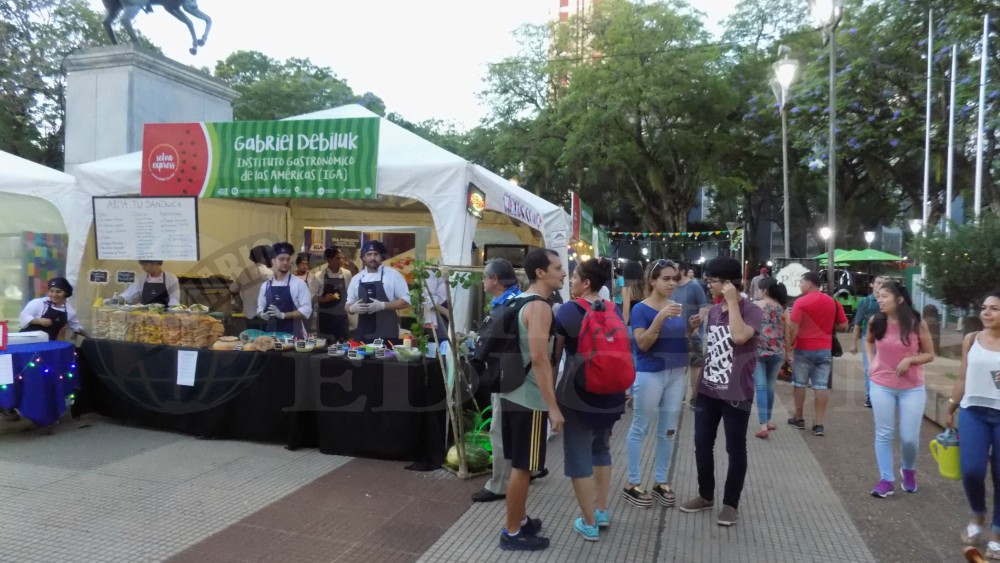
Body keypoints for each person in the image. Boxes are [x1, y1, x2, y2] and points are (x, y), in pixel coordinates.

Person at [679, 257, 761, 527]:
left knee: (735, 447)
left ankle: (730, 503)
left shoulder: (752, 310)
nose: (708, 285)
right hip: (708, 389)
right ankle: (706, 495)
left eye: (711, 281)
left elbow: (739, 337)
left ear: (727, 283)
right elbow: (710, 347)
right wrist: (693, 328)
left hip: (737, 391)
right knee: (702, 443)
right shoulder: (713, 311)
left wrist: (733, 302)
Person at [552, 257, 626, 541]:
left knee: (578, 455)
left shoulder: (569, 310)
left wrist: (551, 398)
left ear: (585, 283)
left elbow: (555, 356)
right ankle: (602, 510)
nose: (570, 281)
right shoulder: (613, 309)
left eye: (574, 277)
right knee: (601, 449)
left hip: (578, 395)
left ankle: (589, 521)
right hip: (611, 393)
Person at [497, 248, 565, 551]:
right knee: (523, 468)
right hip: (530, 398)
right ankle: (512, 532)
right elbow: (539, 358)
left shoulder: (518, 299)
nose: (563, 273)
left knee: (520, 465)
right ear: (540, 272)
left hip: (512, 392)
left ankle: (520, 519)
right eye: (558, 268)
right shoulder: (539, 307)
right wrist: (552, 407)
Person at [623, 259, 700, 509]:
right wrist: (659, 318)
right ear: (652, 281)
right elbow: (643, 344)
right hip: (651, 373)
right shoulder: (641, 309)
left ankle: (661, 481)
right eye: (666, 279)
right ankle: (633, 482)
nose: (672, 283)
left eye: (674, 279)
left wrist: (691, 329)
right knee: (640, 427)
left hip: (676, 373)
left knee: (668, 430)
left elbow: (677, 337)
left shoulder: (674, 306)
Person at [864, 281, 934, 498]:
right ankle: (886, 479)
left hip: (912, 387)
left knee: (909, 437)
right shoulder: (876, 321)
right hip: (881, 385)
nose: (879, 300)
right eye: (879, 296)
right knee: (884, 433)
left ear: (900, 299)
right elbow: (869, 341)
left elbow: (930, 354)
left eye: (885, 296)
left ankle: (908, 469)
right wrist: (872, 363)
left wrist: (911, 360)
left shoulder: (916, 323)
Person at [947, 291, 1000, 555]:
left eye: (994, 309)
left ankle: (997, 532)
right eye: (984, 307)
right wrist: (951, 405)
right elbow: (962, 377)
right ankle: (978, 514)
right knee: (971, 470)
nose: (986, 313)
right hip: (973, 412)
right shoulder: (972, 339)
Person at [472, 258, 522, 504]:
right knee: (513, 429)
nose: (482, 281)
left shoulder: (507, 306)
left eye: (485, 276)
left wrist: (475, 356)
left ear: (495, 280)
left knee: (499, 429)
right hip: (518, 375)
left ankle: (499, 484)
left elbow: (488, 343)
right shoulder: (517, 300)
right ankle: (525, 472)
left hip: (506, 375)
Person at [787, 271, 848, 436]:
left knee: (799, 384)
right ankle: (819, 424)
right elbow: (844, 326)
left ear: (809, 284)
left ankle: (799, 418)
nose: (800, 285)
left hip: (803, 348)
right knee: (821, 386)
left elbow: (793, 328)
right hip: (824, 349)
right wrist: (827, 326)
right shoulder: (833, 302)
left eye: (801, 282)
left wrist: (789, 348)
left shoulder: (800, 302)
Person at [345, 240, 411, 341]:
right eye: (369, 254)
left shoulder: (393, 275)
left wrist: (382, 305)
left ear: (381, 257)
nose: (372, 258)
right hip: (364, 333)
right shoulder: (356, 279)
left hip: (388, 333)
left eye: (376, 254)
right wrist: (352, 309)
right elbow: (347, 305)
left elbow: (406, 301)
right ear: (363, 257)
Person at [752, 278, 790, 439]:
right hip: (778, 352)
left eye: (759, 290)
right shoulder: (783, 309)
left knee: (760, 387)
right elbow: (788, 331)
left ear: (764, 290)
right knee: (770, 386)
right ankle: (767, 420)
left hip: (758, 352)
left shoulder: (755, 306)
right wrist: (788, 352)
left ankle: (763, 426)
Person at [257, 242, 312, 339]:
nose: (285, 262)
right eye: (281, 259)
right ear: (273, 261)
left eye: (288, 259)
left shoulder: (298, 284)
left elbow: (306, 310)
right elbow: (260, 307)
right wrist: (262, 314)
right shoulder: (265, 285)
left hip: (294, 335)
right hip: (271, 336)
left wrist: (283, 315)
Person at [673, 261, 708, 410]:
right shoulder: (671, 287)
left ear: (682, 271)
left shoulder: (694, 286)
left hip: (693, 335)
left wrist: (697, 326)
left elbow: (703, 308)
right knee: (679, 367)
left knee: (695, 366)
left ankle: (695, 397)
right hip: (675, 334)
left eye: (674, 269)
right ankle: (678, 396)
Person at [851, 276, 888, 408]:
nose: (881, 285)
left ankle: (882, 394)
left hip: (885, 339)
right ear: (872, 285)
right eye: (878, 282)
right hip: (868, 339)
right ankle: (870, 396)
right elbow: (857, 324)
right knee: (870, 368)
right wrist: (854, 343)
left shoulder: (888, 301)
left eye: (884, 283)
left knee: (884, 368)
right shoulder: (866, 302)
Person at [18, 277, 86, 341]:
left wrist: (88, 337)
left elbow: (76, 327)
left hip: (48, 343)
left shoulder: (69, 310)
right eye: (51, 291)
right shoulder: (38, 303)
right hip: (26, 340)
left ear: (66, 293)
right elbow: (23, 317)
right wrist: (38, 321)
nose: (54, 295)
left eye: (58, 292)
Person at [229, 245, 273, 331]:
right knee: (266, 338)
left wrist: (240, 303)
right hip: (265, 316)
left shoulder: (245, 272)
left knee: (252, 336)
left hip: (249, 315)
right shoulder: (268, 273)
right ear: (263, 258)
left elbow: (233, 289)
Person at [315, 246, 352, 342]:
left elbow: (350, 293)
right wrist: (323, 299)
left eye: (342, 258)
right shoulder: (319, 276)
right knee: (326, 345)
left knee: (343, 344)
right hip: (326, 318)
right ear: (329, 260)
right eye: (337, 258)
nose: (341, 261)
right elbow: (311, 297)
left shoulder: (347, 274)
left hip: (342, 317)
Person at [621, 260, 646, 326]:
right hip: (648, 321)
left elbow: (626, 314)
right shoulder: (646, 287)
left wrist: (622, 328)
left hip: (635, 324)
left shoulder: (627, 290)